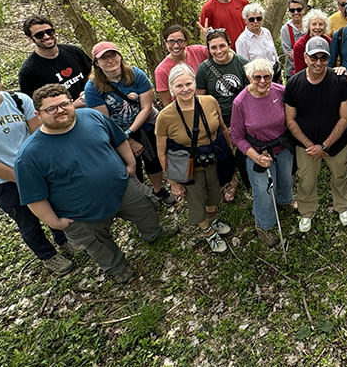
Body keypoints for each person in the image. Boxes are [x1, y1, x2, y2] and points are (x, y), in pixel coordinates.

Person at [15, 83, 175, 283]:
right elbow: (34, 197)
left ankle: (154, 234)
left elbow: (118, 138)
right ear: (38, 114)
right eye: (51, 109)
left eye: (64, 104)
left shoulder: (91, 116)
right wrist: (55, 222)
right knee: (98, 244)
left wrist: (131, 163)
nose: (60, 111)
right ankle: (117, 268)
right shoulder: (29, 155)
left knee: (147, 208)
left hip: (122, 188)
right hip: (81, 212)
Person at [0, 62, 73, 275]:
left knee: (54, 206)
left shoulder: (20, 100)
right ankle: (47, 255)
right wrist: (26, 180)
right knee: (28, 222)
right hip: (6, 180)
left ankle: (64, 240)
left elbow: (39, 136)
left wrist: (41, 170)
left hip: (36, 168)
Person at [84, 41, 175, 206]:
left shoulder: (135, 74)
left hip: (145, 123)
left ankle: (158, 189)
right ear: (97, 63)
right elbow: (105, 121)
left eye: (113, 55)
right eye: (104, 58)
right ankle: (142, 197)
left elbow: (146, 107)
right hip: (116, 130)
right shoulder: (93, 87)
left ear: (119, 56)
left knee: (153, 159)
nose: (110, 60)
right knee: (131, 164)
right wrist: (127, 140)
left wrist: (130, 133)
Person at [156, 64, 234, 254]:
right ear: (172, 88)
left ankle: (213, 219)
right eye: (179, 86)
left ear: (195, 82)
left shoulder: (209, 101)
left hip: (214, 158)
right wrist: (172, 180)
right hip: (186, 165)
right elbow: (161, 151)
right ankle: (207, 232)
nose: (185, 89)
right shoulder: (165, 116)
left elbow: (223, 129)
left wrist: (230, 155)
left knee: (214, 194)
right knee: (196, 201)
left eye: (188, 83)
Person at [284, 37, 347, 234]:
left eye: (323, 58)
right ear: (305, 57)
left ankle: (342, 206)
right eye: (314, 57)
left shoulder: (340, 81)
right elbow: (290, 120)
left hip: (336, 144)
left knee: (340, 175)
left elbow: (344, 118)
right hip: (305, 146)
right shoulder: (293, 83)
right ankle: (306, 211)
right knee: (306, 180)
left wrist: (325, 145)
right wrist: (310, 146)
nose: (319, 62)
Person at [229, 59, 294, 249]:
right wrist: (255, 156)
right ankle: (264, 225)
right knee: (264, 190)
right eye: (257, 77)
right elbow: (236, 135)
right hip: (257, 150)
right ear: (249, 78)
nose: (263, 81)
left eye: (267, 76)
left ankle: (285, 201)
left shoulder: (281, 91)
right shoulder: (240, 102)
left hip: (282, 146)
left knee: (286, 178)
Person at [194, 29, 249, 200]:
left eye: (222, 46)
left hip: (242, 117)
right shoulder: (204, 69)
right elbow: (200, 99)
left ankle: (250, 180)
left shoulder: (241, 63)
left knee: (244, 152)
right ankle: (232, 182)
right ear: (208, 49)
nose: (218, 51)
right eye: (213, 47)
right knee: (225, 154)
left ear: (229, 44)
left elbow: (250, 93)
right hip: (218, 119)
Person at [18, 15, 91, 105]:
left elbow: (92, 73)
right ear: (30, 39)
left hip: (92, 103)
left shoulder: (74, 51)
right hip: (62, 116)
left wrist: (88, 92)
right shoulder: (28, 72)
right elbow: (33, 106)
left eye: (50, 32)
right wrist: (72, 106)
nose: (46, 36)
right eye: (39, 35)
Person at [154, 24, 209, 106]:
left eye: (180, 41)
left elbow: (221, 55)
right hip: (183, 110)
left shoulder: (198, 51)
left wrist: (208, 40)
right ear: (165, 43)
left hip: (207, 103)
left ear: (186, 41)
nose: (176, 46)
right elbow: (167, 103)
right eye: (171, 41)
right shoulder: (161, 71)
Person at [234, 3, 281, 80]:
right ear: (246, 21)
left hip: (274, 74)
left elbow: (274, 54)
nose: (255, 22)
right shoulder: (242, 41)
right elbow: (245, 67)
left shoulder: (266, 32)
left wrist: (279, 75)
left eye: (258, 18)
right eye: (251, 19)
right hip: (259, 79)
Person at [292, 9, 331, 75]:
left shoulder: (329, 42)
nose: (317, 27)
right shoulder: (300, 45)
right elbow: (299, 71)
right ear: (308, 26)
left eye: (321, 24)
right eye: (314, 24)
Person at [280, 0, 306, 77]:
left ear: (303, 10)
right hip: (292, 71)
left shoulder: (309, 25)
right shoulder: (286, 29)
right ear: (289, 12)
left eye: (298, 10)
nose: (296, 13)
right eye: (292, 10)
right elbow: (288, 52)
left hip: (310, 70)